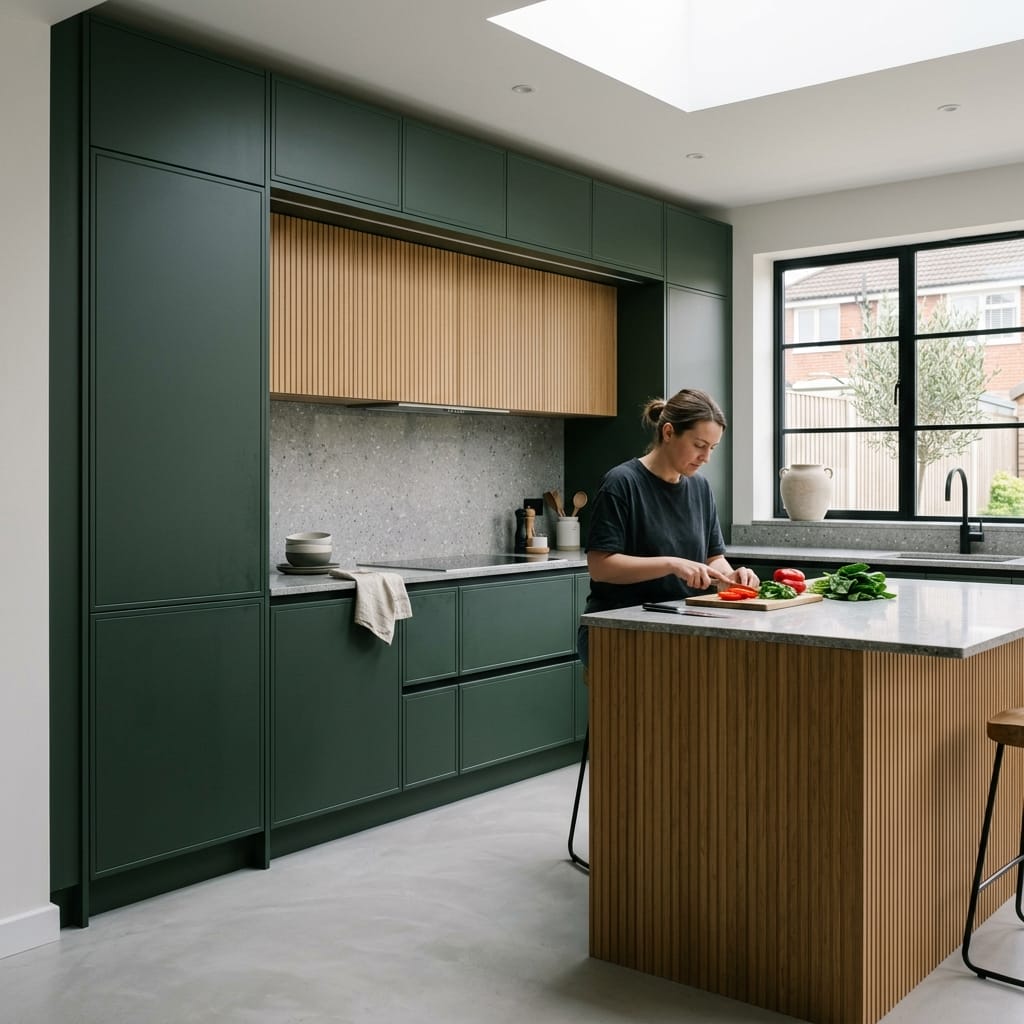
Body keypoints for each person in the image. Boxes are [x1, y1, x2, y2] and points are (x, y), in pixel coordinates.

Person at [577, 388, 759, 665]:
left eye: (712, 448)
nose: (706, 457)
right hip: (618, 627)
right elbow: (600, 567)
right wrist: (672, 564)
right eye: (699, 445)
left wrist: (732, 578)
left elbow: (714, 558)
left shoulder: (700, 488)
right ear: (669, 432)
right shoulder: (621, 483)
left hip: (682, 623)